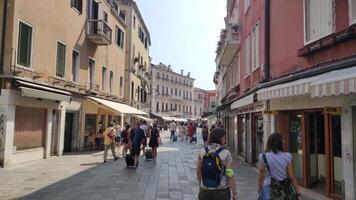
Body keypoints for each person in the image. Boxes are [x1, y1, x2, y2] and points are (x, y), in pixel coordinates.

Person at [196, 128, 237, 200]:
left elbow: (198, 171)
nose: (225, 140)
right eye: (224, 138)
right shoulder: (225, 153)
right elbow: (229, 173)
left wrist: (200, 185)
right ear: (220, 139)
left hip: (205, 191)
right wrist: (234, 193)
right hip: (221, 191)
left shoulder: (203, 151)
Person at [258, 133, 301, 200]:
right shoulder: (287, 156)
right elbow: (292, 176)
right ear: (280, 144)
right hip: (284, 189)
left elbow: (261, 175)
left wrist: (260, 188)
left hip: (269, 188)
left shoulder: (263, 156)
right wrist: (298, 193)